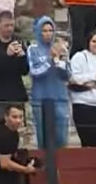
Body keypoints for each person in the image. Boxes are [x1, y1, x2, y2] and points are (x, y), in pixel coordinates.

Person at [28, 17, 69, 151]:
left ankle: (61, 168)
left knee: (61, 138)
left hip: (60, 98)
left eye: (51, 30)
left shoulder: (60, 48)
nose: (48, 34)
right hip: (40, 99)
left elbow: (67, 75)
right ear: (39, 32)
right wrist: (49, 60)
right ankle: (44, 168)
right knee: (43, 137)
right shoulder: (33, 49)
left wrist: (59, 60)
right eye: (44, 31)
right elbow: (34, 72)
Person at [0, 12, 29, 110]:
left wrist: (22, 57)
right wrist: (6, 56)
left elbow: (25, 71)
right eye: (6, 25)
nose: (10, 28)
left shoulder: (18, 41)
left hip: (17, 95)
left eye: (12, 25)